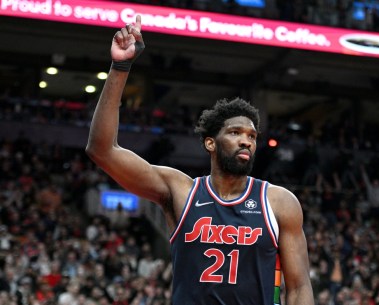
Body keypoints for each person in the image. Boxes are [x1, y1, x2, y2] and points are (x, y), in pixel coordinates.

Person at [86, 15, 314, 305]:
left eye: (252, 136)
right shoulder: (181, 190)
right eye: (235, 133)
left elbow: (298, 288)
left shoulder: (279, 202)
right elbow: (102, 150)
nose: (246, 140)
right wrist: (120, 67)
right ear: (210, 142)